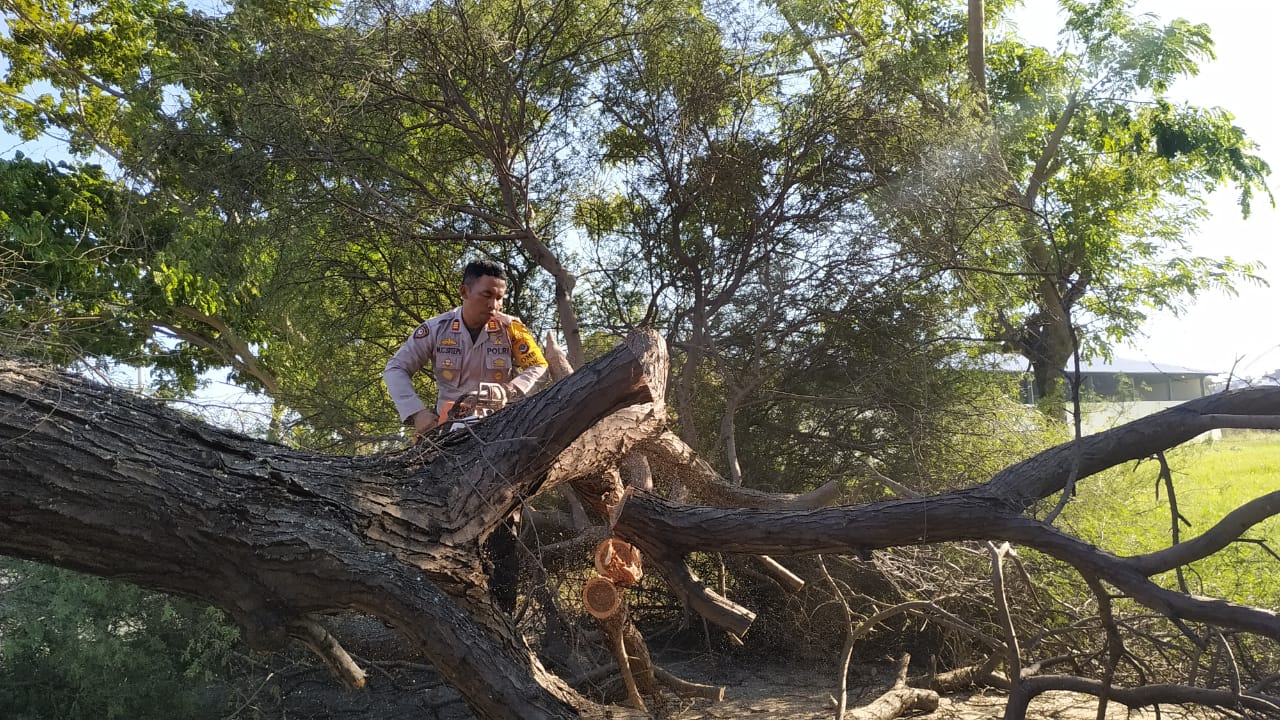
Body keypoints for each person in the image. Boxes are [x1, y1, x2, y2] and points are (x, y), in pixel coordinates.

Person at [383, 259, 549, 613]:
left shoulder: (511, 330)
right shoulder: (437, 328)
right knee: (433, 519)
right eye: (487, 295)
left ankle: (504, 618)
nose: (494, 304)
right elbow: (395, 367)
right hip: (447, 437)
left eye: (500, 297)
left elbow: (538, 365)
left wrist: (510, 392)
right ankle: (431, 610)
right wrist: (417, 414)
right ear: (465, 291)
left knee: (505, 526)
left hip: (500, 435)